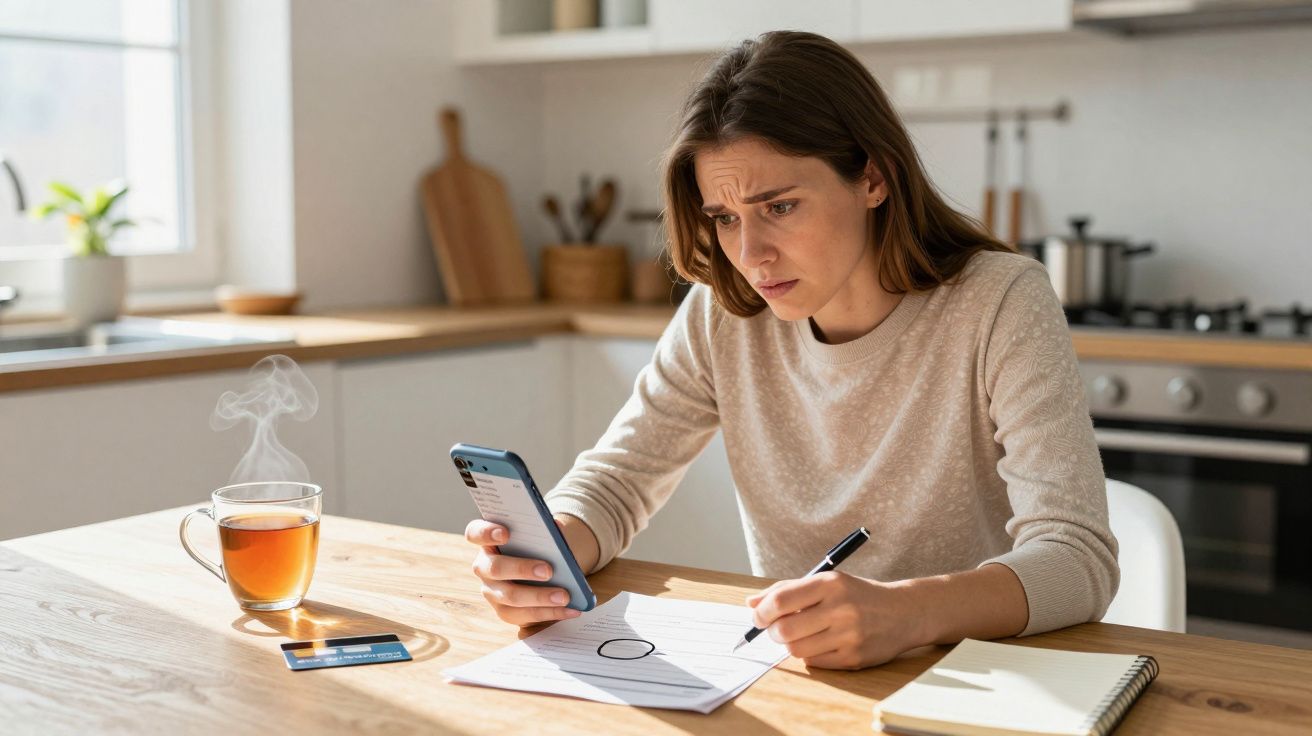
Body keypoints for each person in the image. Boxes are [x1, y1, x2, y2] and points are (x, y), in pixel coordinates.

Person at [464, 30, 1117, 670]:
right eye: (724, 217)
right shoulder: (725, 315)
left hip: (984, 682)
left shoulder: (999, 302)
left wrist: (908, 612)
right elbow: (615, 482)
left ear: (874, 178)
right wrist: (548, 553)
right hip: (805, 679)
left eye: (778, 206)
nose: (750, 256)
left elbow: (1076, 556)